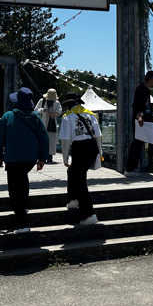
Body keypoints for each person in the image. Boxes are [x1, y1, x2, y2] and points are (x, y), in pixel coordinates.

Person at [0, 87, 48, 233]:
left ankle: (21, 220)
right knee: (22, 179)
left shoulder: (8, 116)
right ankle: (23, 208)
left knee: (14, 187)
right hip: (30, 159)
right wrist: (42, 158)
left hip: (13, 158)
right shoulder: (35, 117)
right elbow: (44, 138)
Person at [59, 92, 101, 226]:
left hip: (79, 148)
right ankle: (73, 199)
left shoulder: (68, 117)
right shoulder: (91, 114)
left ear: (69, 105)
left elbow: (65, 140)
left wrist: (65, 157)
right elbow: (98, 136)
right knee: (73, 173)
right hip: (92, 148)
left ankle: (89, 214)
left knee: (80, 181)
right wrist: (99, 153)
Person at [126, 70, 153, 175]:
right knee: (150, 143)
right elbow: (137, 105)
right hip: (142, 121)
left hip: (145, 120)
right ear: (150, 79)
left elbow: (143, 106)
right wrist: (139, 117)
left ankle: (130, 169)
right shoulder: (141, 89)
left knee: (141, 144)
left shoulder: (145, 89)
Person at [36, 89, 62, 164]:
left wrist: (54, 113)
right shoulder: (42, 101)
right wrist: (43, 110)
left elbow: (59, 112)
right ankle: (41, 157)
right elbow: (36, 110)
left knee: (51, 141)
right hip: (43, 124)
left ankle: (50, 158)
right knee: (42, 141)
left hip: (52, 124)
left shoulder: (57, 102)